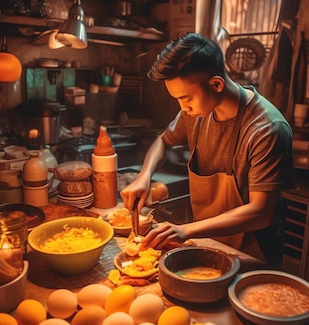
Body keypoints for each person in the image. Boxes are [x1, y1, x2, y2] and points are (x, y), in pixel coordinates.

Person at [121, 32, 294, 267]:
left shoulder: (267, 128)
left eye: (187, 98)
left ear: (216, 84)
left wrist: (186, 230)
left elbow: (261, 212)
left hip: (252, 254)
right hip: (207, 241)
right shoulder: (194, 113)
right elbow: (164, 141)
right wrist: (144, 175)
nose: (183, 108)